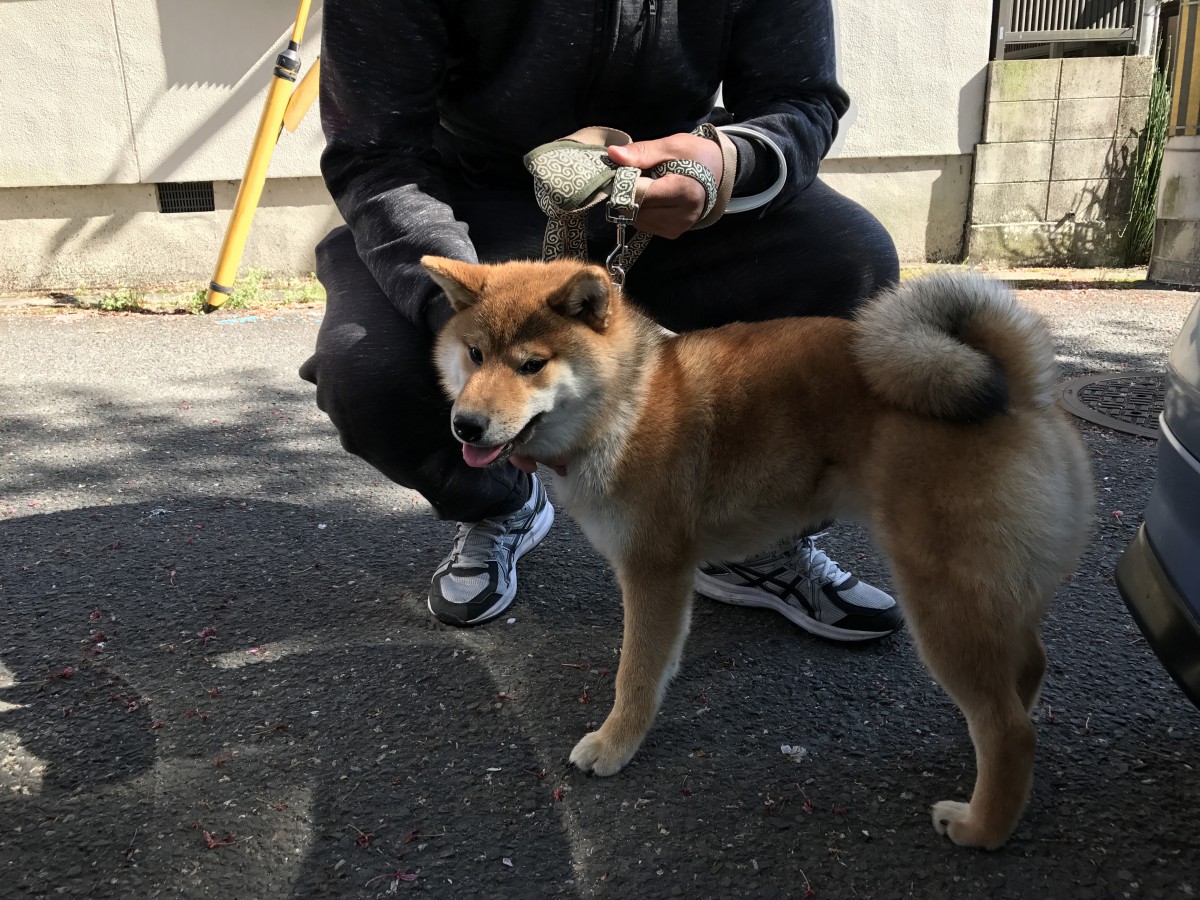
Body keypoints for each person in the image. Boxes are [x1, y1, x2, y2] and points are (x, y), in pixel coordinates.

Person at [299, 0, 904, 641]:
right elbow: (374, 152)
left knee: (851, 265)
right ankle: (501, 503)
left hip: (671, 186)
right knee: (365, 368)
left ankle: (757, 536)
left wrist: (726, 166)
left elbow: (799, 99)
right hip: (471, 198)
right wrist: (474, 316)